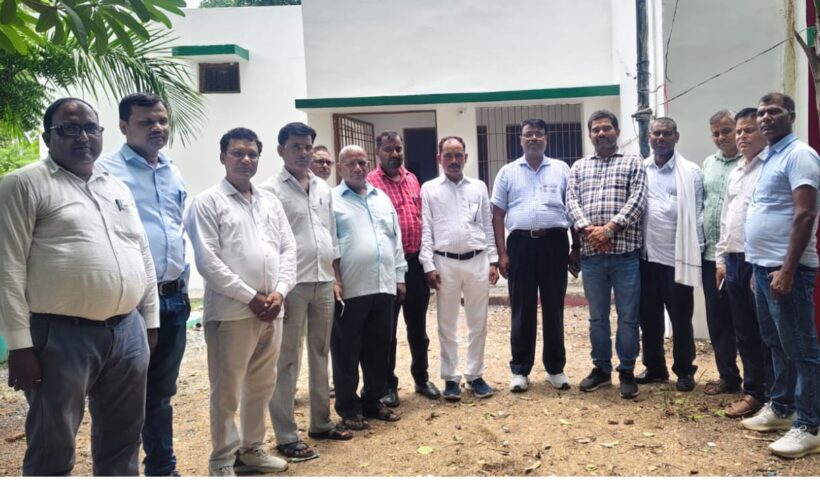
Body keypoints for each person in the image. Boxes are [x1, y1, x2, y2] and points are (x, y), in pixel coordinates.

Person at [0, 97, 158, 476]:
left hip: (127, 330)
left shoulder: (115, 185)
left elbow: (141, 251)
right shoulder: (23, 184)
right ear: (47, 137)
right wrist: (20, 345)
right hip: (60, 336)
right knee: (52, 445)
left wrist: (149, 321)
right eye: (69, 129)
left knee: (123, 440)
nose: (82, 137)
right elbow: (8, 266)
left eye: (90, 128)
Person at [185, 127, 297, 476]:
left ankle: (252, 450)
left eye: (252, 154)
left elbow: (288, 249)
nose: (246, 159)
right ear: (223, 157)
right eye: (237, 153)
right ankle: (222, 459)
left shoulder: (269, 201)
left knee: (261, 385)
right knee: (227, 391)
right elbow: (207, 261)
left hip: (273, 310)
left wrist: (280, 291)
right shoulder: (208, 202)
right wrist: (251, 297)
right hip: (232, 313)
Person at [98, 92, 190, 476]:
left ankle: (163, 468)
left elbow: (175, 228)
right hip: (131, 305)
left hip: (174, 298)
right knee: (123, 395)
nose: (157, 128)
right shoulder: (104, 172)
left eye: (162, 120)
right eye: (146, 122)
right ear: (123, 126)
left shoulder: (171, 170)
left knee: (161, 393)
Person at [261, 123, 351, 463]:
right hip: (291, 284)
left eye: (307, 147)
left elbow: (331, 234)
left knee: (320, 352)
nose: (303, 153)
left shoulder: (322, 187)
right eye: (296, 146)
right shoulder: (269, 190)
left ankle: (321, 423)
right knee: (286, 358)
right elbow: (268, 241)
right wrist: (276, 286)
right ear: (281, 150)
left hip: (323, 280)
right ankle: (286, 435)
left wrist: (335, 276)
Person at [740, 93, 820, 459]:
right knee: (775, 341)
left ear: (791, 115)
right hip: (764, 268)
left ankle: (810, 425)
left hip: (789, 270)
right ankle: (782, 408)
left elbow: (805, 214)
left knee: (801, 348)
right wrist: (758, 267)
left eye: (774, 111)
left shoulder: (799, 155)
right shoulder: (771, 156)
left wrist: (787, 269)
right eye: (761, 113)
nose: (765, 118)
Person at [491, 118, 578, 393]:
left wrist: (576, 247)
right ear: (521, 140)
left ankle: (555, 368)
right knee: (522, 309)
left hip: (554, 244)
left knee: (554, 308)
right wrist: (501, 253)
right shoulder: (507, 172)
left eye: (538, 134)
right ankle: (520, 370)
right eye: (528, 134)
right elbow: (497, 214)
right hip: (520, 245)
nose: (533, 138)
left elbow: (573, 210)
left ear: (546, 139)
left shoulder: (562, 169)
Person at [567, 110, 647, 399]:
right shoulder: (579, 167)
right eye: (596, 130)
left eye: (606, 128)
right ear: (590, 134)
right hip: (592, 256)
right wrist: (590, 231)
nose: (601, 133)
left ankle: (626, 370)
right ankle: (601, 368)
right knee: (597, 318)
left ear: (616, 131)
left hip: (625, 255)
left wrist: (609, 230)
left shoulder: (633, 162)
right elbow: (571, 202)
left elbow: (638, 200)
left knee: (628, 317)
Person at [332, 145, 407, 430]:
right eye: (350, 163)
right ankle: (349, 408)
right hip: (350, 289)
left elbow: (395, 239)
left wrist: (399, 276)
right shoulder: (332, 201)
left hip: (383, 285)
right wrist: (334, 280)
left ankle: (374, 400)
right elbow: (330, 245)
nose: (357, 168)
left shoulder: (381, 198)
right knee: (347, 351)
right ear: (340, 168)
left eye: (362, 162)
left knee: (379, 349)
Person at [419, 136, 499, 402]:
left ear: (466, 157)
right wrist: (428, 264)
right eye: (448, 155)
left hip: (477, 261)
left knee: (478, 322)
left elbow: (487, 224)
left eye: (458, 155)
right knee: (447, 324)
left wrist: (493, 260)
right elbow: (426, 229)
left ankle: (475, 375)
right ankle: (451, 378)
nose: (453, 161)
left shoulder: (478, 187)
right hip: (444, 263)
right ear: (439, 158)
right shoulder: (429, 189)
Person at [367, 131, 439, 406]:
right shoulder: (371, 182)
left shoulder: (412, 179)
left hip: (415, 264)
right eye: (388, 149)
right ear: (378, 151)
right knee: (387, 330)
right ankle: (389, 385)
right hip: (388, 267)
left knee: (418, 327)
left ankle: (421, 378)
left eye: (398, 149)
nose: (394, 154)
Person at [638, 117, 703, 392]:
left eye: (666, 133)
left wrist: (697, 252)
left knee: (680, 319)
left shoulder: (691, 172)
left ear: (676, 136)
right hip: (645, 258)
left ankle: (685, 371)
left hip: (678, 258)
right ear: (649, 138)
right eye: (656, 133)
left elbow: (697, 214)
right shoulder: (640, 169)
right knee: (648, 318)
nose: (660, 138)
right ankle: (655, 368)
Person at [714, 107, 772, 418]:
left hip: (759, 262)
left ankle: (776, 397)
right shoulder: (737, 170)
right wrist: (721, 259)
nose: (741, 136)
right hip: (734, 261)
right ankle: (754, 393)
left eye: (748, 130)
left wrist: (760, 263)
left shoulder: (770, 166)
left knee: (768, 333)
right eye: (739, 131)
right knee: (744, 330)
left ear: (763, 131)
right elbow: (727, 218)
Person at [700, 110, 743, 397]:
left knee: (746, 320)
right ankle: (728, 376)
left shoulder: (749, 163)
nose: (721, 137)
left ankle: (759, 382)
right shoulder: (708, 164)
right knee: (718, 320)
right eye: (715, 133)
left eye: (726, 131)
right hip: (710, 257)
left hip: (740, 257)